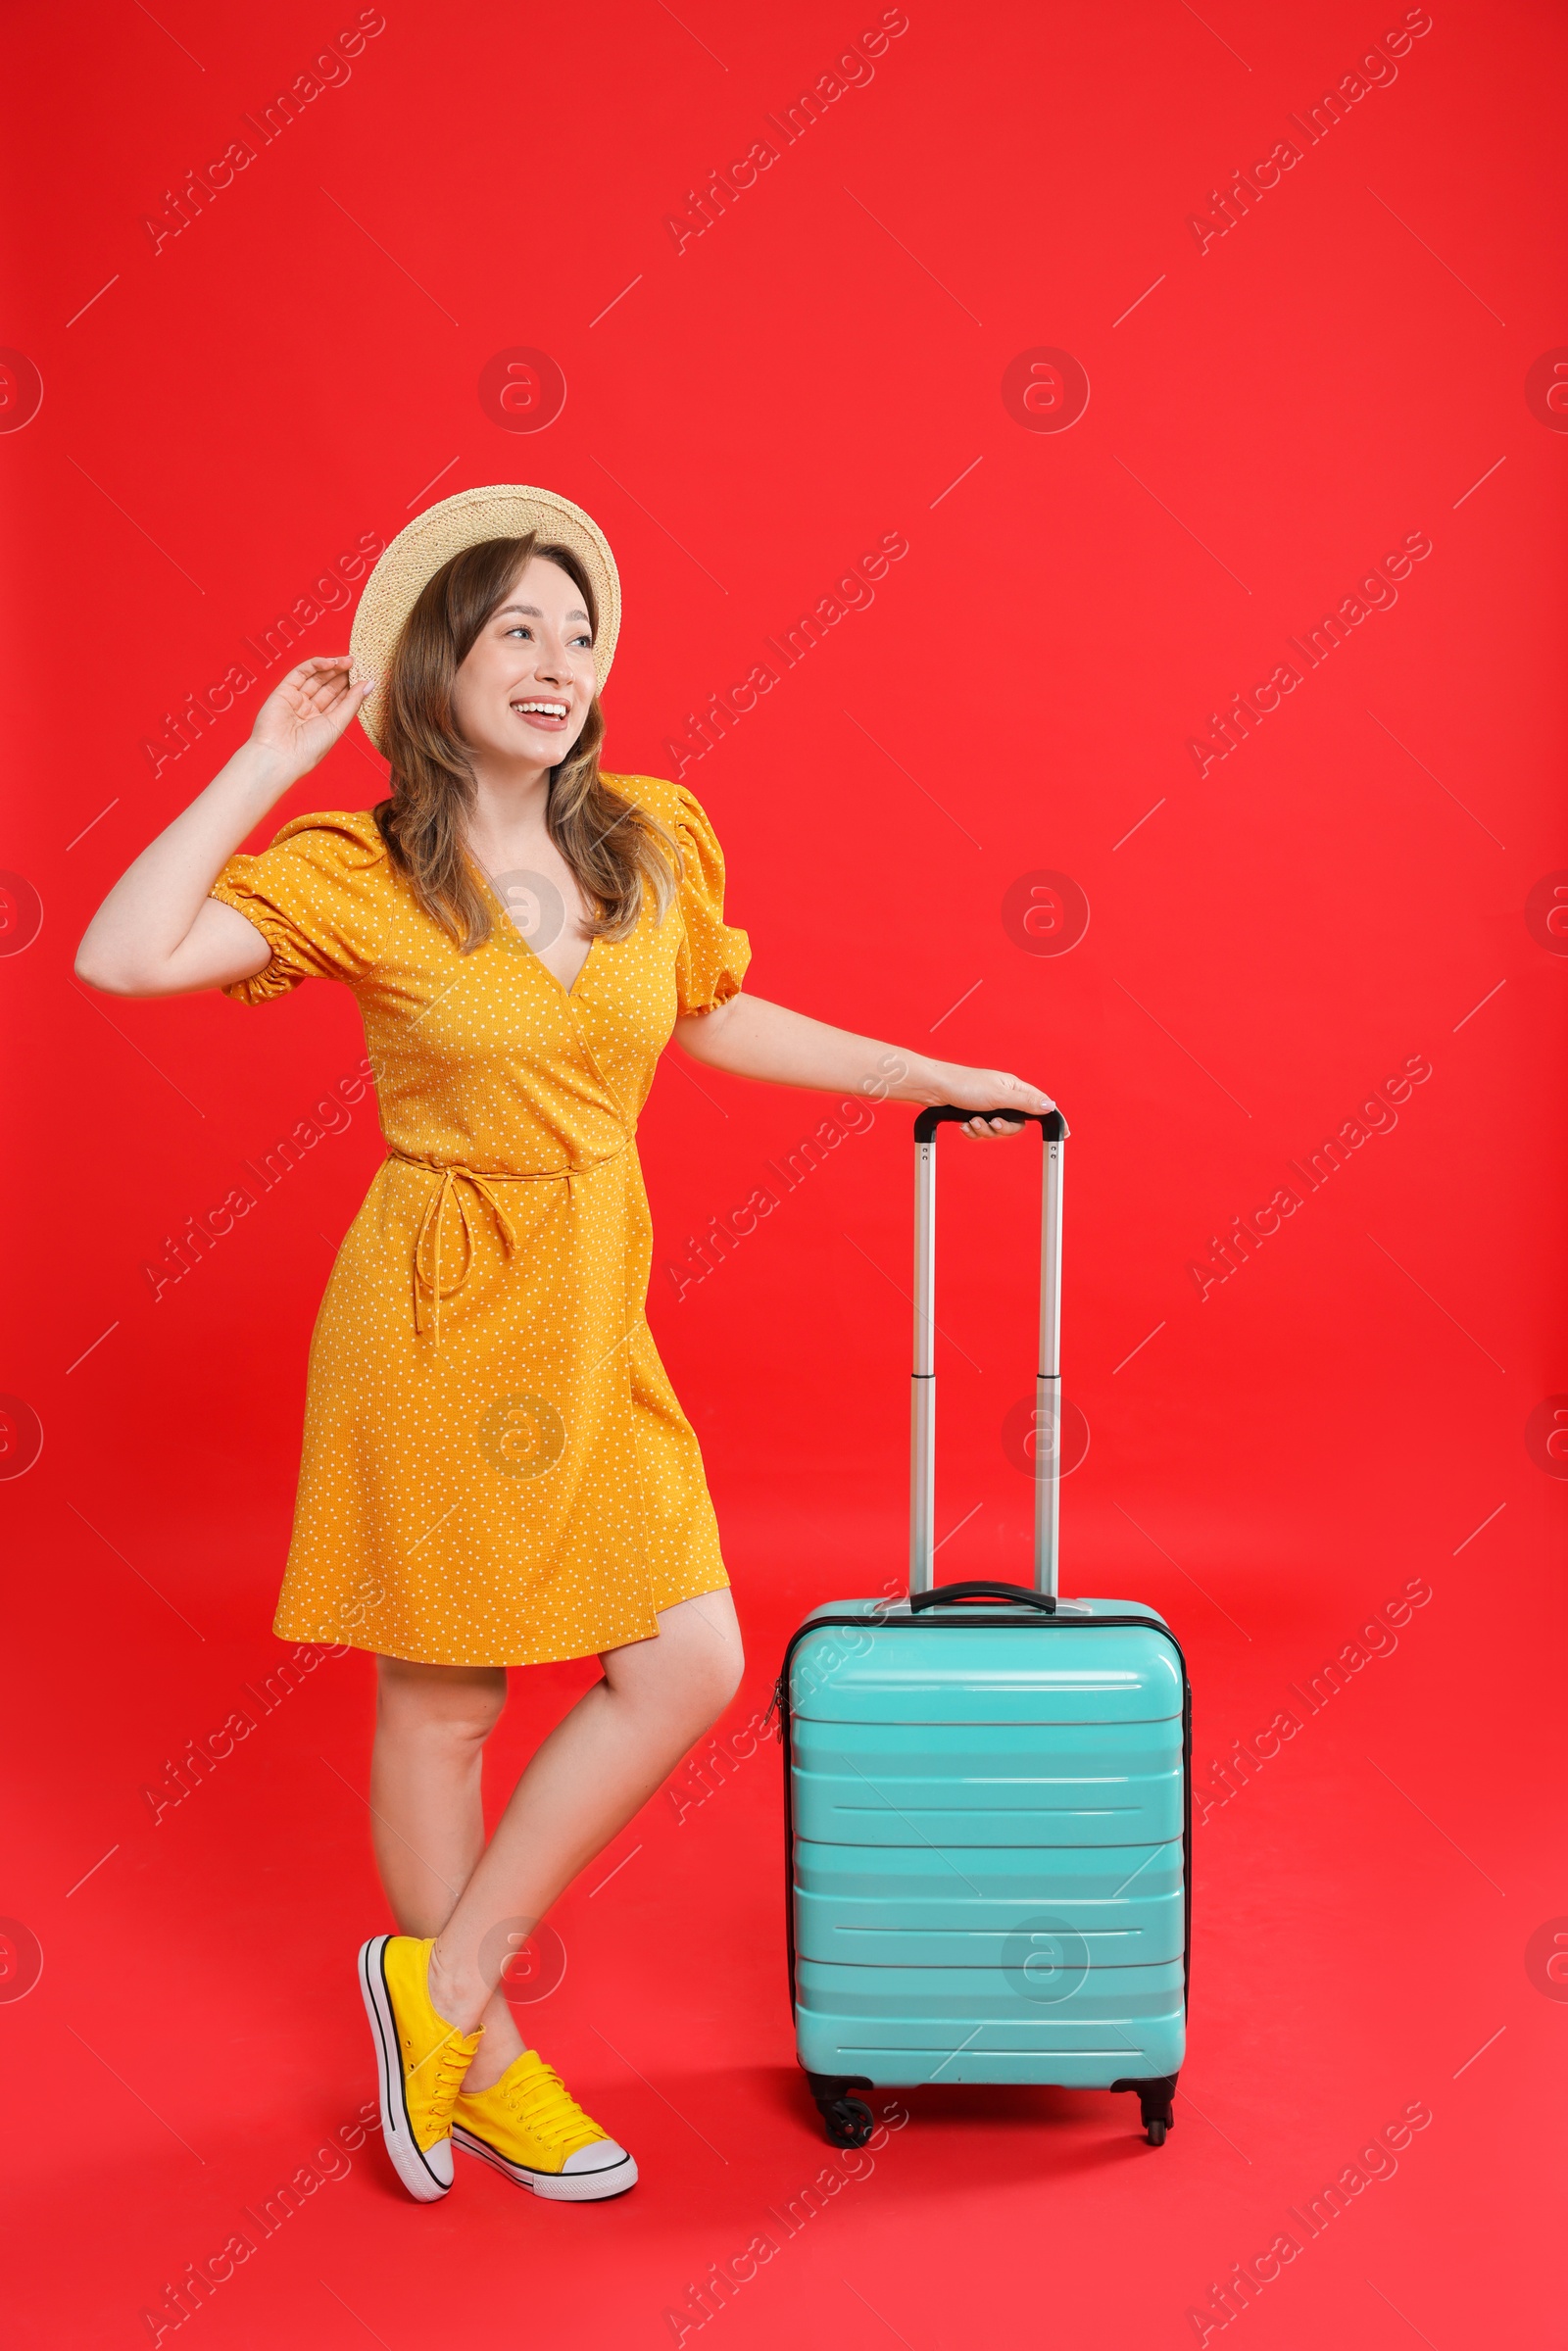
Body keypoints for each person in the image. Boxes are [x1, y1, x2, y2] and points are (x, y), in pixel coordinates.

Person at [76, 484, 1054, 2207]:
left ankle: (435, 1993)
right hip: (440, 1307)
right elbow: (123, 955)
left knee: (686, 1659)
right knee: (447, 1704)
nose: (556, 659)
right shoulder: (358, 873)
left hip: (597, 1295)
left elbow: (719, 1010)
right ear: (430, 668)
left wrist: (937, 1073)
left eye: (576, 629)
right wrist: (261, 759)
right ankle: (496, 2071)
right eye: (512, 628)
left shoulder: (650, 840)